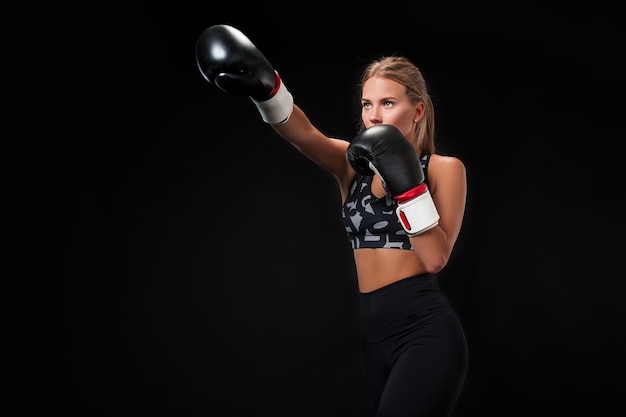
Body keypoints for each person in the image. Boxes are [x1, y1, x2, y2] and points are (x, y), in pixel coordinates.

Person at [196, 24, 469, 417]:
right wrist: (268, 89)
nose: (374, 115)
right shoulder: (352, 165)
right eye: (366, 104)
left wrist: (408, 184)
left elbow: (434, 259)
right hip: (372, 336)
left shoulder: (445, 169)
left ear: (418, 110)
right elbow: (304, 135)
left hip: (425, 332)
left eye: (388, 103)